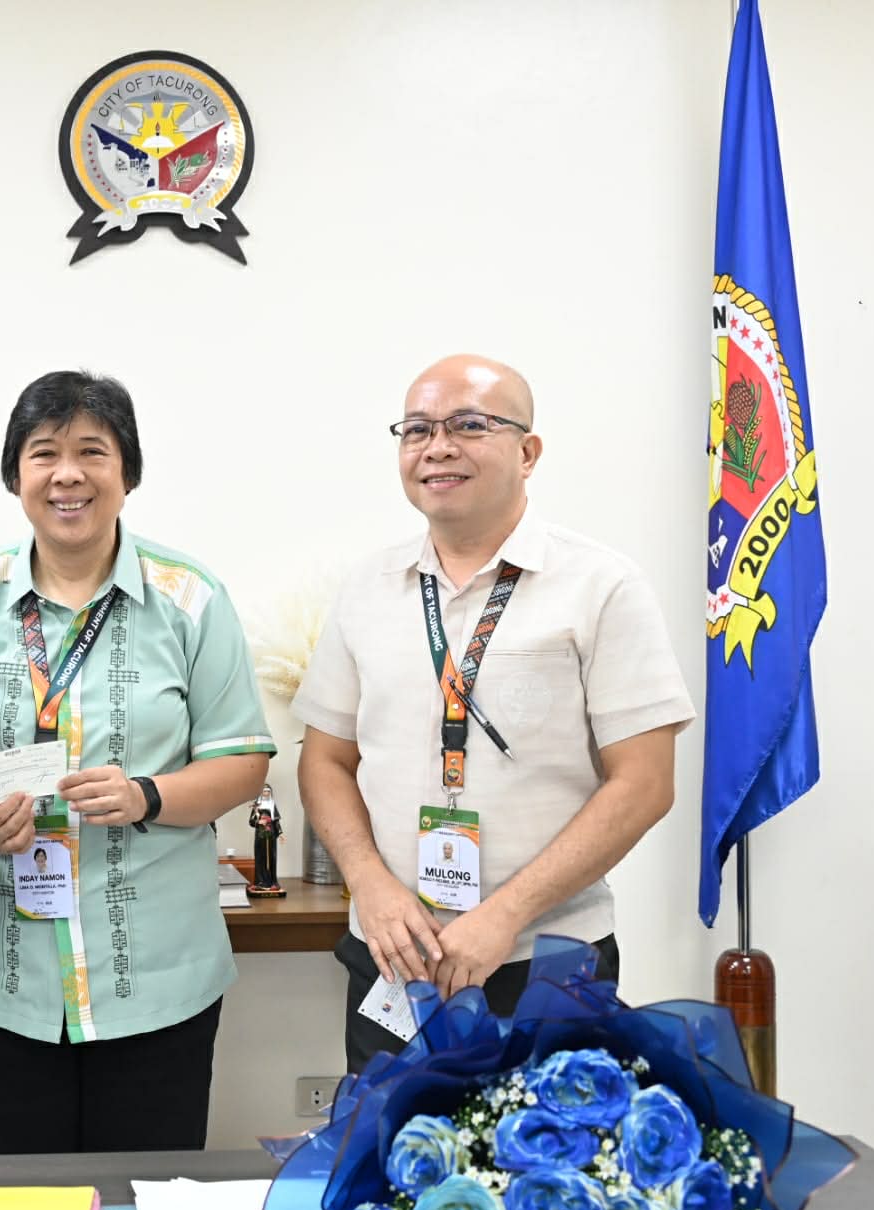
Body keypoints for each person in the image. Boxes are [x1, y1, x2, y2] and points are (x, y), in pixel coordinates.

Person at [0, 370, 274, 1155]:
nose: (68, 475)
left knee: (147, 1199)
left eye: (93, 451)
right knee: (21, 1205)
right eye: (44, 453)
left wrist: (148, 795)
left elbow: (241, 761)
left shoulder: (192, 600)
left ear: (127, 472)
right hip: (0, 973)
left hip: (156, 974)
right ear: (15, 475)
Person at [295, 354, 695, 1074]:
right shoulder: (367, 588)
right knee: (389, 1146)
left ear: (528, 452)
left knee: (549, 1149)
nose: (437, 447)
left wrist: (504, 915)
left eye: (468, 425)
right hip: (396, 959)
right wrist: (370, 883)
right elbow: (325, 759)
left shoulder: (601, 586)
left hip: (547, 962)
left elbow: (644, 784)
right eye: (417, 429)